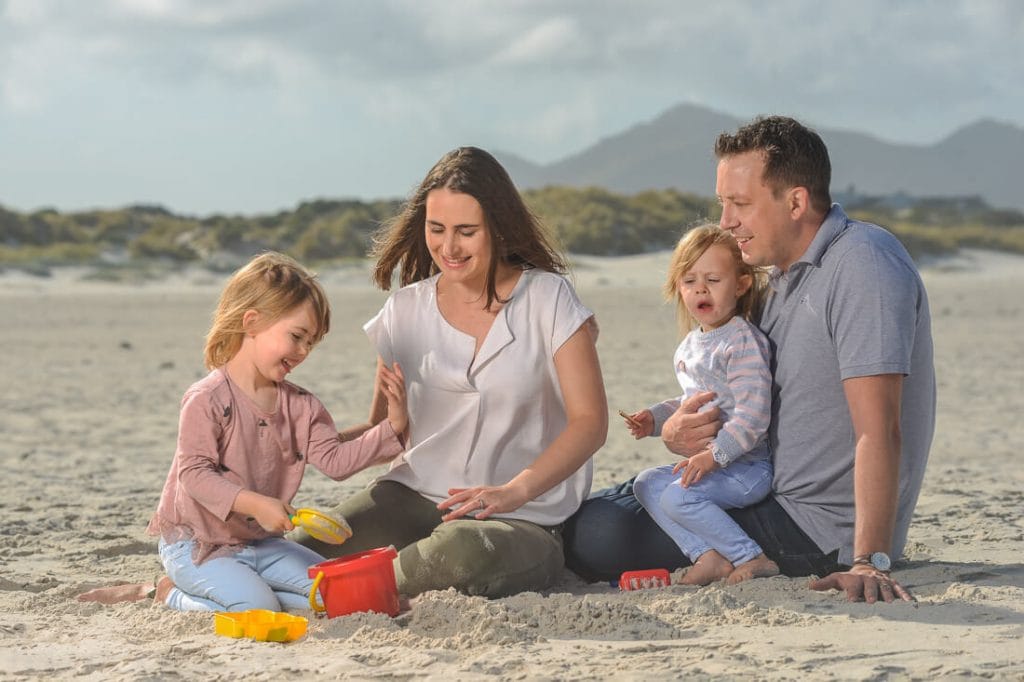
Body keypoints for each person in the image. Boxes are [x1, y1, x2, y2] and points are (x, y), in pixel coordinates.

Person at [564, 115, 935, 604]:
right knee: (587, 511)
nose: (725, 221)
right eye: (723, 203)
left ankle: (733, 556)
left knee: (591, 535)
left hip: (813, 528)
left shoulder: (862, 264)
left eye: (740, 204)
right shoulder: (779, 275)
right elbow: (735, 387)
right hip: (757, 483)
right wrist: (674, 428)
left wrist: (870, 559)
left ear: (796, 202)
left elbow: (880, 428)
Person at [290, 146, 608, 598]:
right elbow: (385, 430)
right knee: (298, 553)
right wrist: (300, 442)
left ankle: (355, 589)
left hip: (515, 519)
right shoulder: (403, 310)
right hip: (409, 497)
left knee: (456, 554)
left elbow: (590, 423)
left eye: (466, 232)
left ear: (498, 228)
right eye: (436, 229)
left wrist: (514, 492)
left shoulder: (549, 299)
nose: (448, 247)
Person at [144, 252, 408, 612]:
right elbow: (194, 474)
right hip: (197, 545)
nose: (303, 352)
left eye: (311, 343)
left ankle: (258, 595)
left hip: (260, 544)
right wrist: (254, 503)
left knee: (331, 596)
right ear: (251, 322)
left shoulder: (301, 406)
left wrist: (393, 425)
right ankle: (169, 593)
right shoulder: (206, 398)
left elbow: (336, 461)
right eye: (297, 336)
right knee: (257, 609)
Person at [622, 224, 777, 586]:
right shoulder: (692, 344)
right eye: (689, 280)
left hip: (748, 467)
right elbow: (691, 401)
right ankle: (708, 556)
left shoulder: (740, 342)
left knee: (679, 499)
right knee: (646, 484)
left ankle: (751, 556)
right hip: (717, 465)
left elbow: (753, 416)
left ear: (741, 285)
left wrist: (714, 456)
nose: (700, 289)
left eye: (713, 279)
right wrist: (656, 420)